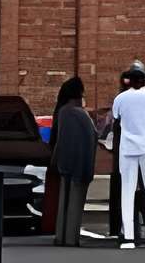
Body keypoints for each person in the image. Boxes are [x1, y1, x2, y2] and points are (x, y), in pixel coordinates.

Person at [111, 62, 145, 250]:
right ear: (144, 80)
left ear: (129, 81)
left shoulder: (120, 99)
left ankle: (129, 238)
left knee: (127, 192)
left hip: (127, 149)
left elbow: (116, 123)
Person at [52, 78, 97, 248]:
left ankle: (61, 236)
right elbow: (92, 136)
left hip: (64, 162)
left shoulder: (62, 112)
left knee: (63, 201)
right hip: (81, 163)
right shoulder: (81, 114)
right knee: (76, 203)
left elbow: (59, 139)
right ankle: (71, 238)